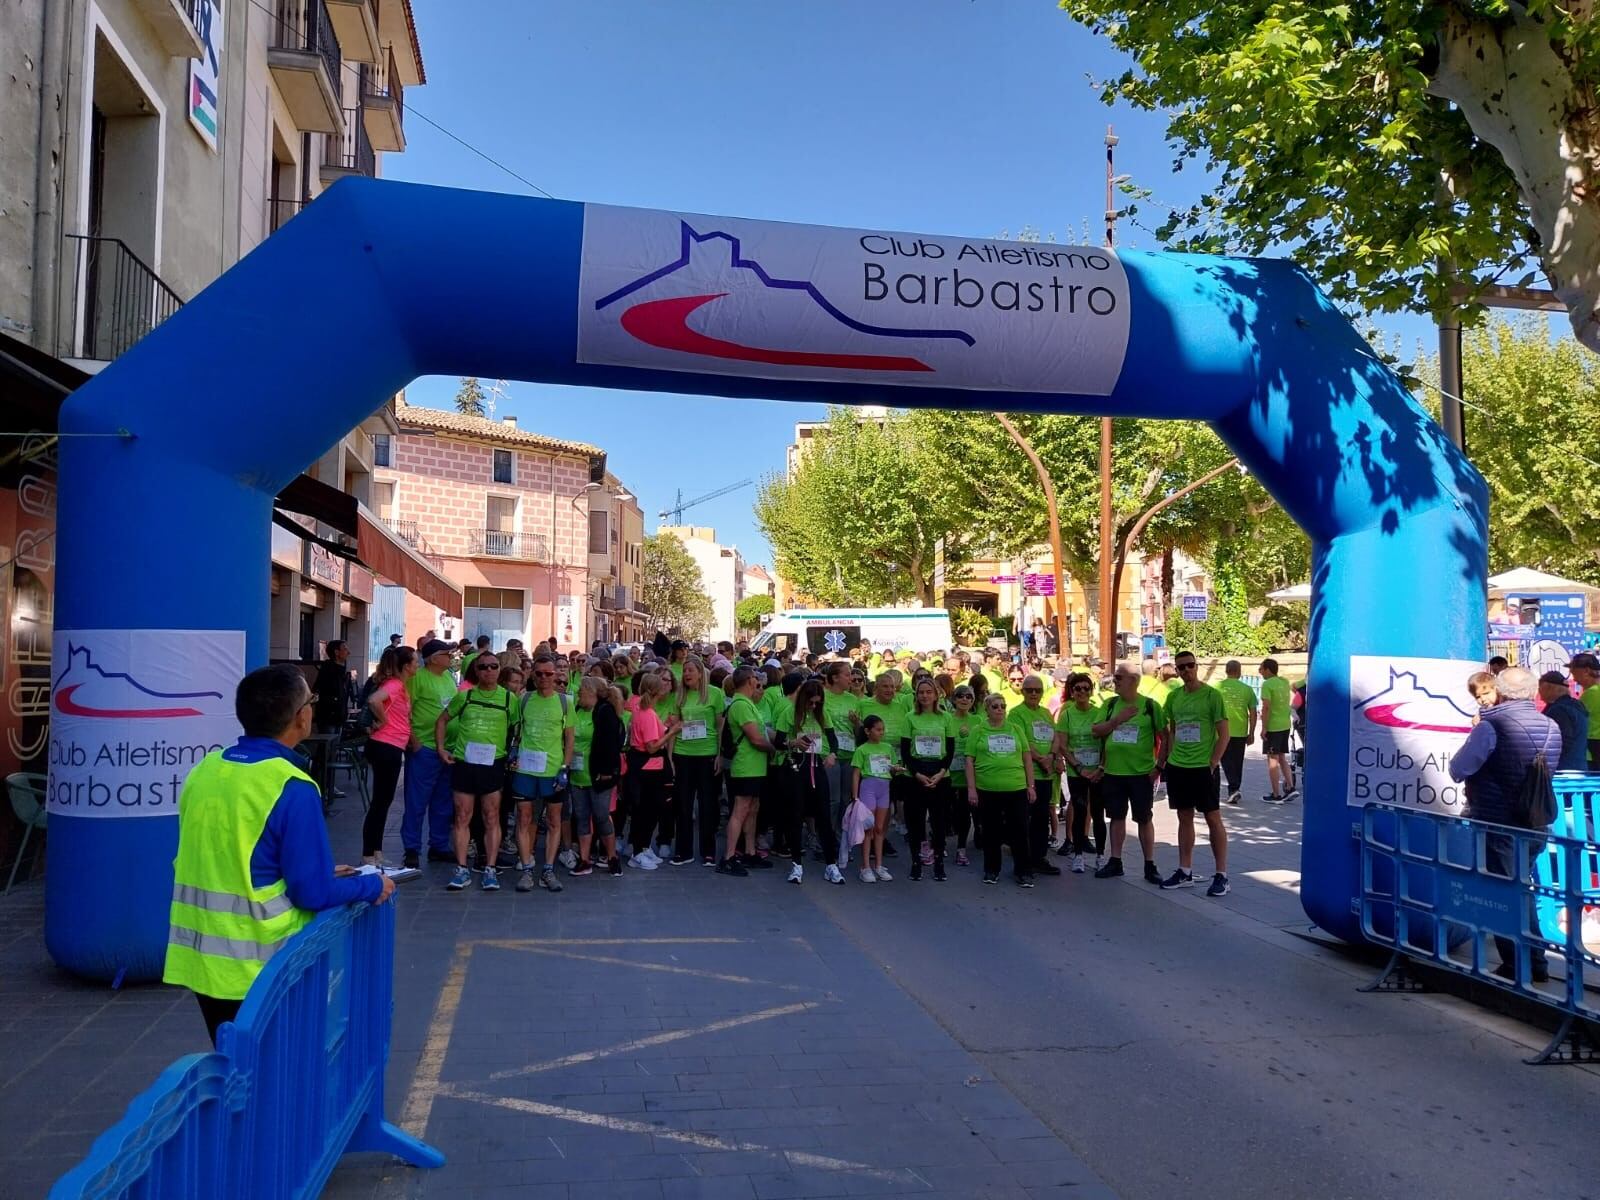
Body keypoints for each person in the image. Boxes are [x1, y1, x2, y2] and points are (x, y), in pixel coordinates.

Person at [164, 665, 392, 1045]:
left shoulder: (206, 769)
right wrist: (371, 886)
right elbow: (312, 894)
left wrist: (311, 870)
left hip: (204, 959)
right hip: (263, 964)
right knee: (276, 1082)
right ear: (301, 716)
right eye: (311, 702)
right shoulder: (291, 785)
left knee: (234, 1072)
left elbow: (231, 853)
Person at [1448, 667, 1561, 982]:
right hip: (1536, 821)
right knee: (1521, 890)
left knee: (1504, 895)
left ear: (1501, 691)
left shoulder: (1491, 726)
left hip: (1499, 821)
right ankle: (1534, 961)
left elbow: (1459, 768)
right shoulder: (1551, 724)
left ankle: (1519, 965)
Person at [436, 651, 515, 892]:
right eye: (483, 667)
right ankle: (461, 870)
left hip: (493, 764)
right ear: (476, 671)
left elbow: (519, 730)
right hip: (465, 763)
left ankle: (490, 869)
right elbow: (442, 720)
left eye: (493, 666)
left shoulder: (509, 699)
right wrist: (441, 749)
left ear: (499, 669)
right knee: (462, 816)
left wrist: (515, 756)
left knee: (491, 816)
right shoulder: (466, 695)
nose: (489, 671)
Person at [1160, 650, 1232, 897]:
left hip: (1203, 767)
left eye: (1190, 665)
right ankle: (1185, 870)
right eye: (1181, 667)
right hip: (1179, 766)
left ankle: (1221, 874)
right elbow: (1170, 729)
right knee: (1184, 817)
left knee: (1213, 818)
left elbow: (1224, 733)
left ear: (1196, 666)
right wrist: (1165, 760)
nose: (1186, 671)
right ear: (1176, 671)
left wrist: (1213, 762)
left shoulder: (1212, 696)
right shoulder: (1174, 697)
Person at [1091, 664, 1166, 884]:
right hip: (1114, 772)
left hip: (1141, 774)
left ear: (1133, 680)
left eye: (1119, 678)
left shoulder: (1150, 706)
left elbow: (1165, 735)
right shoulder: (1111, 704)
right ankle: (1115, 861)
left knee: (1144, 818)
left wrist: (1159, 766)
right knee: (1116, 816)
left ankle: (1149, 864)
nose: (1115, 682)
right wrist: (1117, 720)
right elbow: (1096, 731)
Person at [508, 655, 577, 892]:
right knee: (524, 818)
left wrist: (565, 768)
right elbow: (517, 730)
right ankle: (527, 868)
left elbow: (569, 739)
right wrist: (513, 753)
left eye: (549, 674)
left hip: (552, 770)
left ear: (557, 675)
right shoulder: (524, 699)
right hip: (526, 769)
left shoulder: (565, 701)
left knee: (554, 820)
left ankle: (548, 869)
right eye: (539, 674)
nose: (544, 678)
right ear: (533, 675)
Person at [964, 692, 1036, 887]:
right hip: (987, 788)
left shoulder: (1015, 729)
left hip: (1016, 787)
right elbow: (969, 760)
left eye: (1003, 706)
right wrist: (971, 789)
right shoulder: (978, 730)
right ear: (986, 709)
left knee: (1020, 831)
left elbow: (1027, 757)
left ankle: (1023, 871)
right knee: (991, 831)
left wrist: (1031, 786)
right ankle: (991, 869)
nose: (1000, 709)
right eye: (995, 706)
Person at [401, 640, 460, 870]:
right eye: (447, 654)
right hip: (425, 748)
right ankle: (412, 849)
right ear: (434, 658)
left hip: (448, 748)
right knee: (417, 801)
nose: (451, 658)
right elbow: (404, 710)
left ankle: (438, 845)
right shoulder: (417, 679)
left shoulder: (447, 678)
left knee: (443, 800)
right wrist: (414, 741)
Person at [780, 678, 843, 884]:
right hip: (797, 767)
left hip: (818, 766)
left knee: (824, 815)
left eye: (817, 703)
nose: (814, 706)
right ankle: (796, 864)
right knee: (796, 815)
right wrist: (792, 742)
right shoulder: (789, 713)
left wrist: (833, 754)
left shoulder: (822, 715)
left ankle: (831, 864)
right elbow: (777, 741)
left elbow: (833, 740)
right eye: (811, 702)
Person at [361, 645, 416, 865]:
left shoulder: (400, 686)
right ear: (406, 665)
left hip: (391, 746)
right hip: (386, 746)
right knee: (380, 802)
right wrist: (383, 721)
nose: (417, 664)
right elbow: (374, 700)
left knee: (383, 801)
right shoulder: (393, 685)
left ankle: (376, 852)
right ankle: (369, 855)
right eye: (414, 660)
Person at [672, 654, 726, 866]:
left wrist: (720, 754)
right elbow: (675, 726)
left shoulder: (714, 694)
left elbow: (721, 726)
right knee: (683, 805)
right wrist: (671, 758)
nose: (686, 674)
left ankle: (708, 851)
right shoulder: (680, 696)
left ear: (701, 673)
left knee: (708, 805)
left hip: (707, 755)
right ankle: (683, 851)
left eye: (690, 671)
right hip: (683, 754)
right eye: (684, 671)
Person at [720, 667, 774, 876]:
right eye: (756, 679)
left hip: (755, 766)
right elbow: (756, 738)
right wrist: (772, 748)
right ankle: (729, 856)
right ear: (750, 681)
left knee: (753, 808)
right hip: (745, 766)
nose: (758, 684)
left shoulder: (747, 704)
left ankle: (750, 852)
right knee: (740, 809)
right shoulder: (741, 705)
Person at [1008, 674, 1063, 878]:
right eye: (1029, 690)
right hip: (1026, 776)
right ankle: (1023, 861)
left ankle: (1039, 858)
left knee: (1041, 819)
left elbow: (1055, 736)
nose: (1033, 694)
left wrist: (1051, 756)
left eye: (1037, 690)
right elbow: (1022, 742)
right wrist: (1041, 759)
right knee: (1023, 819)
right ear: (1022, 692)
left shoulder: (1046, 713)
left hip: (1046, 776)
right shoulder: (1016, 713)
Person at [568, 677, 621, 875]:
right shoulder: (578, 710)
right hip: (577, 772)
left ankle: (612, 856)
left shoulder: (604, 712)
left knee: (601, 815)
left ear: (592, 692)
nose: (579, 692)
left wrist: (607, 771)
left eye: (582, 690)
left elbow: (611, 744)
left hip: (598, 774)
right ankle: (584, 859)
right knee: (581, 816)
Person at [1053, 671, 1104, 873]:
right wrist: (1078, 767)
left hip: (1097, 771)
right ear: (1072, 692)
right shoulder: (1066, 714)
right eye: (1077, 689)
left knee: (1098, 814)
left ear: (1091, 691)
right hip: (1077, 771)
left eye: (1085, 688)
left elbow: (1106, 743)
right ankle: (1078, 854)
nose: (1082, 692)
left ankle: (1101, 855)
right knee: (1080, 811)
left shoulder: (1099, 712)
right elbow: (1063, 745)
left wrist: (1100, 767)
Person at [627, 672, 678, 869]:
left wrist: (665, 727)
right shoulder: (646, 713)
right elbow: (651, 746)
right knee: (646, 810)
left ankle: (644, 846)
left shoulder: (645, 710)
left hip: (650, 765)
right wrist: (672, 732)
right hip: (647, 766)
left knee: (652, 809)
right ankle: (638, 851)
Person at [903, 678, 953, 882]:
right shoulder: (909, 717)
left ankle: (939, 861)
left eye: (928, 692)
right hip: (916, 774)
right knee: (915, 822)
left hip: (940, 774)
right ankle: (916, 861)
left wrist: (941, 772)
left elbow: (950, 750)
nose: (924, 696)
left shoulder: (946, 718)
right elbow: (905, 751)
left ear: (936, 694)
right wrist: (917, 774)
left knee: (939, 822)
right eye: (921, 692)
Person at [851, 714, 903, 881]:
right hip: (868, 788)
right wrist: (855, 796)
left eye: (883, 729)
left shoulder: (887, 748)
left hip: (884, 788)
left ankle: (879, 865)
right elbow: (856, 774)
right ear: (867, 731)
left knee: (880, 828)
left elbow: (892, 768)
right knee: (869, 828)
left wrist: (896, 769)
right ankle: (865, 867)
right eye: (878, 729)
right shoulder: (862, 750)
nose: (882, 732)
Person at [1216, 661, 1258, 806]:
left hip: (1221, 730)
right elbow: (1253, 713)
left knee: (1225, 760)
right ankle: (1235, 788)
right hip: (1240, 730)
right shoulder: (1247, 689)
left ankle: (1234, 788)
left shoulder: (1217, 688)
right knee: (1237, 761)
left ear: (1226, 671)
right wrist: (1251, 732)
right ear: (1239, 671)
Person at [1258, 658, 1298, 803]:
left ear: (1268, 669)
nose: (1260, 672)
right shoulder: (1284, 681)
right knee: (1281, 757)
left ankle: (1275, 795)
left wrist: (1264, 727)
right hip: (1285, 725)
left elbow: (1266, 707)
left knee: (1272, 760)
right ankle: (1291, 787)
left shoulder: (1267, 684)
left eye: (1261, 669)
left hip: (1273, 726)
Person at [1537, 671, 1590, 773]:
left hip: (1563, 772)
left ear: (1549, 688)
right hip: (1578, 768)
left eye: (1540, 688)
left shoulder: (1559, 710)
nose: (1539, 693)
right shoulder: (1576, 706)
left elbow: (1561, 742)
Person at [313, 640, 354, 735]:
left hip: (338, 716)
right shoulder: (328, 671)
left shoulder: (341, 671)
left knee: (334, 745)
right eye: (345, 649)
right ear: (336, 652)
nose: (348, 652)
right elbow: (323, 692)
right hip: (329, 716)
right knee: (328, 745)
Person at [1568, 652, 1600, 769]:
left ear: (1586, 671)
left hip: (1593, 748)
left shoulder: (1592, 693)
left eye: (1574, 672)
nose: (1574, 678)